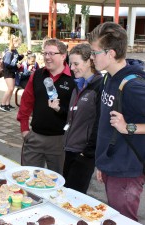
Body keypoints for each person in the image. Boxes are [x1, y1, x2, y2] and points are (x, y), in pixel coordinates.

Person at [88, 22, 145, 221]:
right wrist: (102, 163)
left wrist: (129, 127)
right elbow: (105, 125)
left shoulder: (132, 86)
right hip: (112, 165)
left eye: (94, 52)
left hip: (126, 172)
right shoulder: (109, 78)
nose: (91, 57)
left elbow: (122, 126)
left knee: (124, 221)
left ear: (110, 53)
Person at [17, 38, 75, 174]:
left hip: (60, 141)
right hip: (35, 137)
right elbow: (26, 102)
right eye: (45, 53)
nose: (47, 57)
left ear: (63, 56)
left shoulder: (74, 78)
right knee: (27, 178)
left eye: (51, 54)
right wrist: (24, 129)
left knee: (59, 182)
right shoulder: (37, 74)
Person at [59, 43, 102, 194]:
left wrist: (87, 152)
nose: (72, 68)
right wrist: (59, 109)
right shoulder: (78, 84)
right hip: (70, 149)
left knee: (74, 197)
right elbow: (76, 116)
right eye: (71, 64)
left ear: (89, 61)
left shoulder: (99, 86)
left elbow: (100, 123)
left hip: (83, 154)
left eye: (76, 63)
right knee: (65, 193)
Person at [0, 35, 24, 112]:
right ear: (14, 42)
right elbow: (7, 64)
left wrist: (22, 56)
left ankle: (7, 104)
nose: (19, 45)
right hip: (8, 72)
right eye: (18, 44)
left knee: (12, 89)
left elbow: (16, 57)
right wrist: (15, 65)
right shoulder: (9, 52)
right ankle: (2, 105)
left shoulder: (14, 50)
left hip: (13, 71)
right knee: (10, 88)